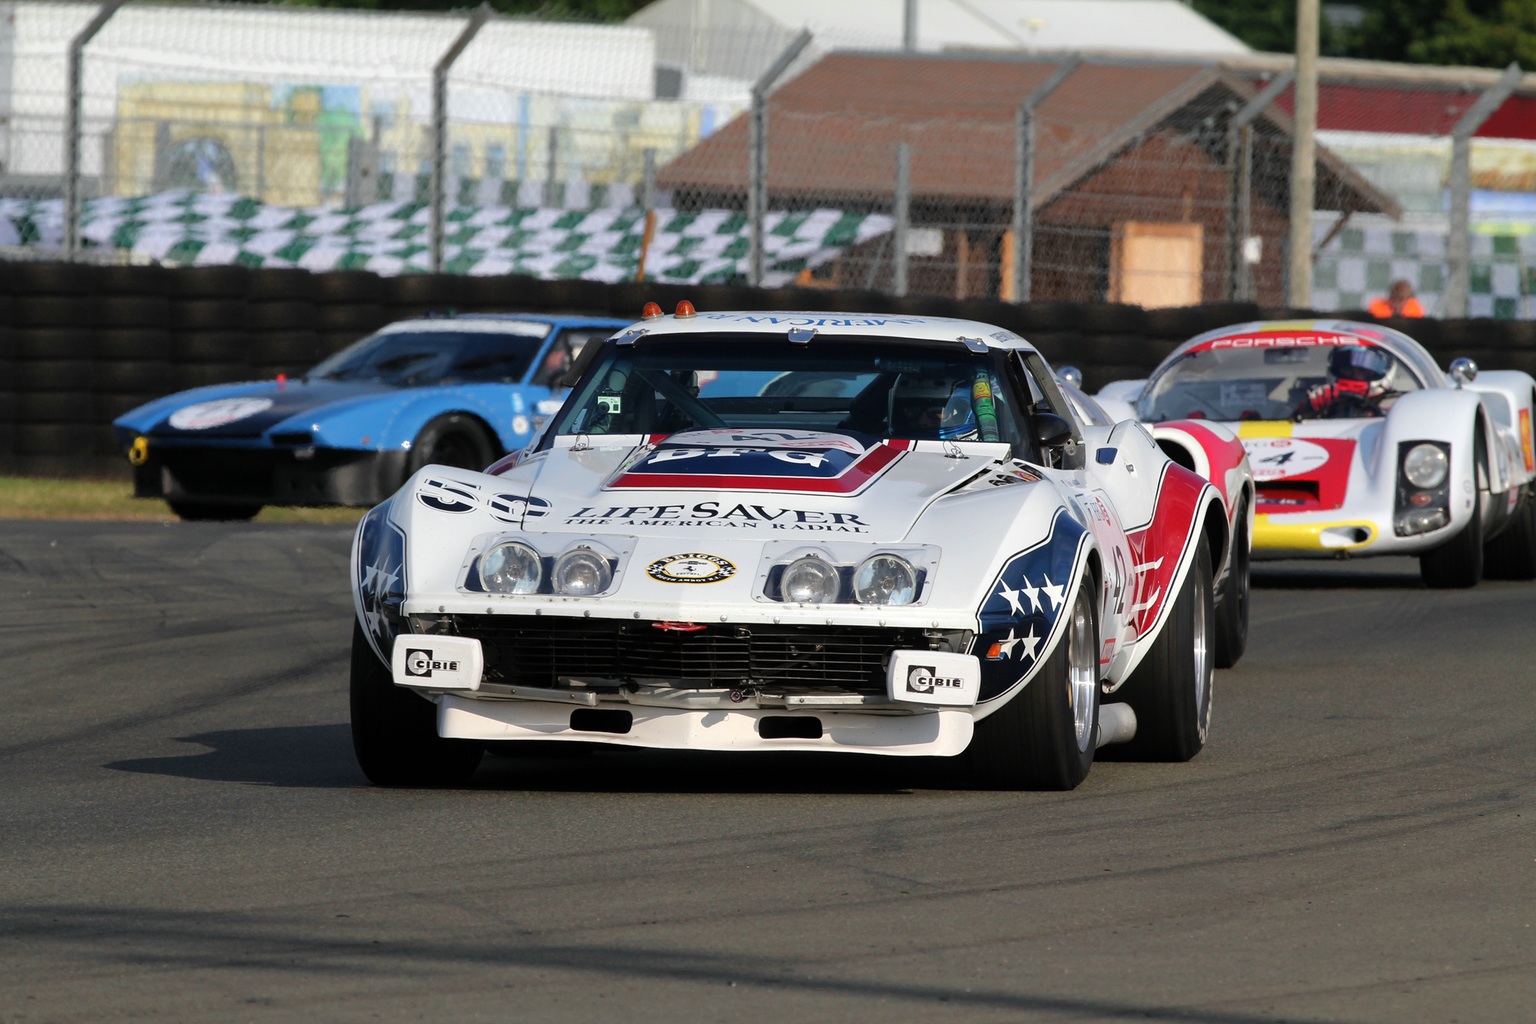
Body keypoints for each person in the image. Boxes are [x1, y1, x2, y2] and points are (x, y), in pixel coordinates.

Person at [1297, 345, 1396, 418]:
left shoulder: (1396, 407)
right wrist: (1309, 409)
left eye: (1363, 371)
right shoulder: (1320, 399)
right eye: (1348, 368)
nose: (1355, 375)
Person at [889, 374, 978, 439]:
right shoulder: (881, 440)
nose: (921, 421)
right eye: (912, 411)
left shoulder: (984, 448)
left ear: (960, 414)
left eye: (937, 412)